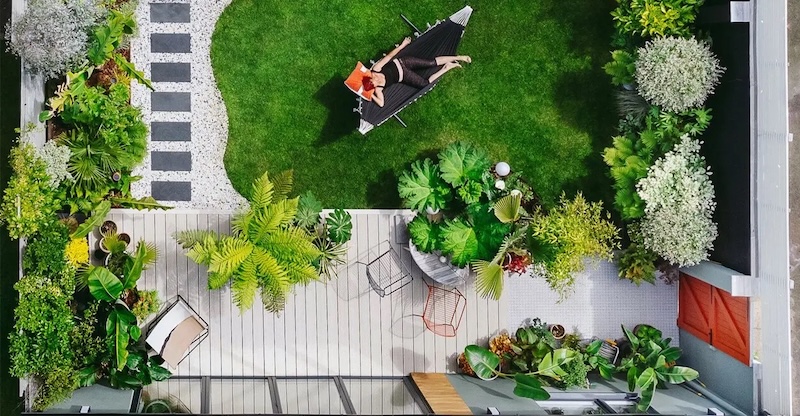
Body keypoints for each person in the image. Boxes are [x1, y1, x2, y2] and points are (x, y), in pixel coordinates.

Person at [366, 37, 471, 107]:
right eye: (374, 84)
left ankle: (459, 57)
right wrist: (371, 96)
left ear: (371, 77)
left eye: (372, 79)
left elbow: (389, 56)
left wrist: (403, 45)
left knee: (431, 63)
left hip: (404, 62)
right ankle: (447, 67)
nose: (376, 80)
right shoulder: (378, 89)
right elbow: (381, 103)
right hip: (404, 75)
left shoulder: (376, 69)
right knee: (424, 84)